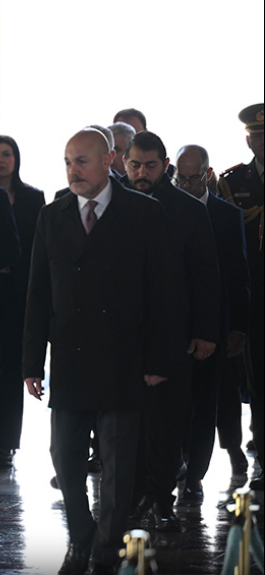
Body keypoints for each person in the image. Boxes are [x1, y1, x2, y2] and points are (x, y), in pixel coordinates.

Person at [23, 128, 176, 575]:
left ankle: (106, 549)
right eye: (68, 162)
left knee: (117, 464)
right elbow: (37, 293)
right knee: (64, 459)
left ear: (109, 159)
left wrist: (157, 360)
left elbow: (164, 293)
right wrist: (32, 362)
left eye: (82, 161)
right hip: (69, 357)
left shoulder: (144, 212)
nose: (74, 170)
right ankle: (82, 534)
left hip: (123, 357)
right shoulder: (52, 216)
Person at [121, 131, 221, 532]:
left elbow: (206, 278)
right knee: (126, 425)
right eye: (134, 165)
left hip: (173, 335)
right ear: (124, 163)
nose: (141, 173)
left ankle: (162, 501)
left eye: (149, 166)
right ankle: (129, 500)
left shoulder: (188, 210)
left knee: (168, 423)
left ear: (165, 166)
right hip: (124, 337)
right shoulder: (112, 205)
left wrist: (206, 331)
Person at [173, 145, 250, 503]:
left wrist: (238, 327)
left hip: (213, 325)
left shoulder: (226, 215)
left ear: (208, 174)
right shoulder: (162, 210)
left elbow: (238, 276)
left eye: (194, 178)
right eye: (181, 178)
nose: (186, 185)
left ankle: (195, 477)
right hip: (172, 325)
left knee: (207, 401)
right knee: (173, 404)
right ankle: (176, 466)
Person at [0, 135, 45, 469]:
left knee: (11, 369)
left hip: (19, 291)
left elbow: (38, 246)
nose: (2, 160)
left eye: (8, 154)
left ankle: (6, 443)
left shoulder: (34, 198)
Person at [217, 103, 265, 491]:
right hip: (257, 298)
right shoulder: (235, 181)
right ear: (249, 139)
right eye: (259, 136)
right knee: (259, 381)